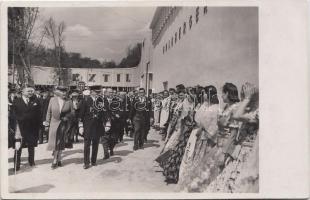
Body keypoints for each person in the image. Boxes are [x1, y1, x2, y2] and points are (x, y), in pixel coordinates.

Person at [178, 85, 220, 191]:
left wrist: (204, 129)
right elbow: (198, 119)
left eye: (204, 93)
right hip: (200, 136)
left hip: (207, 138)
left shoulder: (215, 108)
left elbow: (214, 125)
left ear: (209, 94)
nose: (203, 95)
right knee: (195, 157)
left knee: (204, 159)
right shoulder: (204, 105)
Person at [157, 85, 196, 184]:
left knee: (177, 149)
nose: (182, 96)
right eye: (180, 95)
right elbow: (176, 117)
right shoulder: (180, 104)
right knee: (170, 147)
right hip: (178, 127)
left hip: (185, 129)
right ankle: (169, 169)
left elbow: (187, 118)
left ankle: (175, 172)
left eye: (184, 95)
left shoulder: (191, 105)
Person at [44, 86, 75, 169]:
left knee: (60, 141)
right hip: (54, 123)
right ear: (58, 92)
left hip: (64, 124)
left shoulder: (69, 101)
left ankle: (57, 159)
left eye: (65, 92)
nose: (64, 93)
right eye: (62, 91)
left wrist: (67, 117)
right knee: (55, 142)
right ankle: (57, 158)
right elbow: (48, 112)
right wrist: (47, 123)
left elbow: (72, 113)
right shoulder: (52, 100)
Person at [13, 84, 41, 171]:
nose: (30, 93)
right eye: (28, 91)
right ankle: (16, 165)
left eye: (31, 91)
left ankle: (31, 161)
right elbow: (13, 115)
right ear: (23, 92)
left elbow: (39, 113)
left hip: (32, 127)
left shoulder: (35, 100)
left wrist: (38, 125)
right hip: (21, 128)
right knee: (19, 146)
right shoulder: (16, 101)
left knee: (31, 145)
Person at [79, 85, 108, 169]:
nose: (98, 93)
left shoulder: (100, 101)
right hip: (88, 126)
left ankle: (94, 160)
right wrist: (81, 126)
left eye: (99, 92)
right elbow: (81, 114)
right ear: (91, 92)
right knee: (87, 144)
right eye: (96, 92)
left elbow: (104, 113)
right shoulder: (86, 101)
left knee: (96, 144)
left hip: (97, 126)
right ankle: (86, 162)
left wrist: (107, 122)